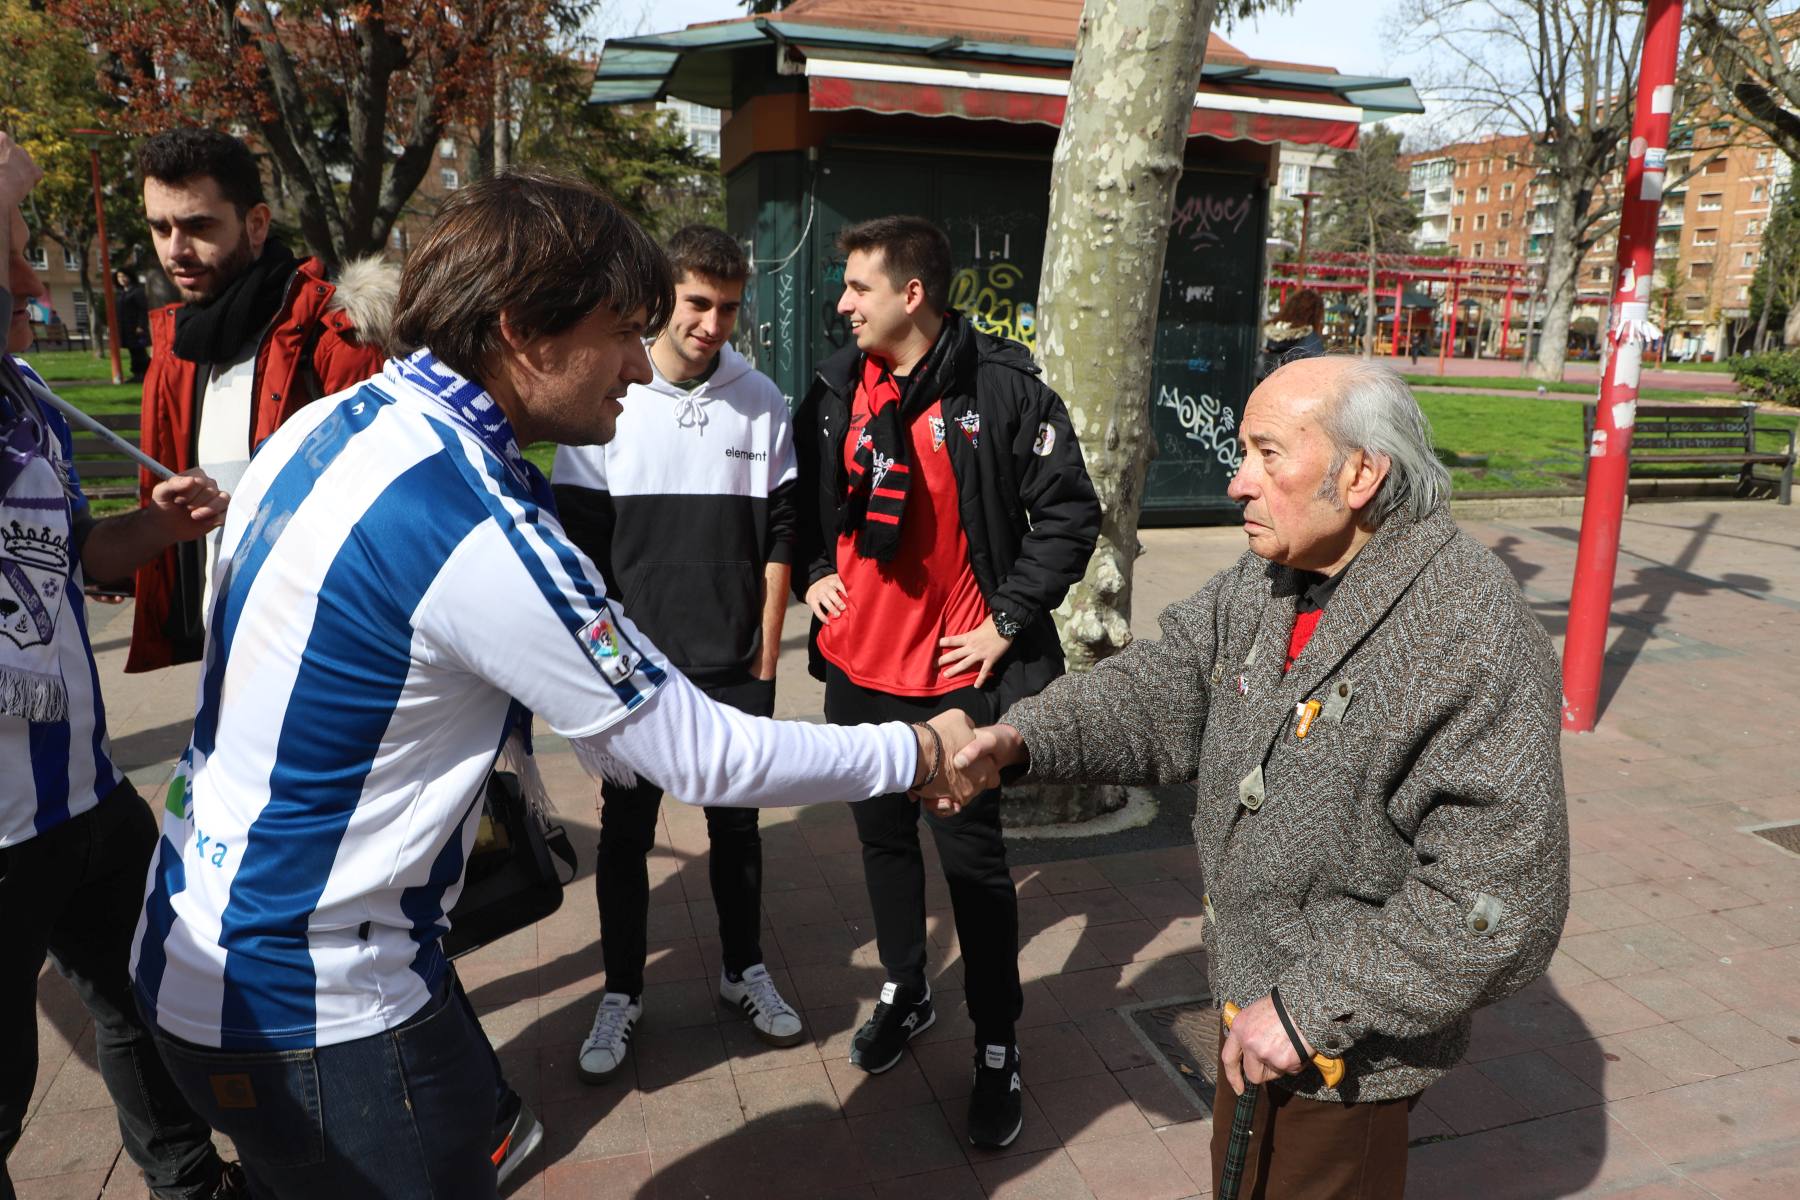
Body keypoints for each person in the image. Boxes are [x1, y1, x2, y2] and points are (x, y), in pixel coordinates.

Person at [126, 170, 992, 1200]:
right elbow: (704, 755)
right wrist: (922, 749)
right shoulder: (471, 520)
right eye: (623, 330)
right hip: (317, 1007)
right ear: (526, 333)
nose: (640, 361)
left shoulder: (332, 424)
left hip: (202, 940)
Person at [955, 355, 1570, 1197]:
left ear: (1361, 474)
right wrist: (1020, 738)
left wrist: (1315, 1005)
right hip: (1254, 1007)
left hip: (1340, 1049)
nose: (1238, 482)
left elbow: (1500, 894)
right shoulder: (1271, 574)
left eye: (1267, 453)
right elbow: (1164, 684)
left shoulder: (1467, 626)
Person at [794, 216, 1099, 1149]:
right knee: (882, 839)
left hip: (953, 690)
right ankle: (905, 989)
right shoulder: (838, 387)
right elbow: (802, 499)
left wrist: (1005, 623)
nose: (841, 303)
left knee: (972, 867)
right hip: (857, 674)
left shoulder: (1001, 391)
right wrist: (811, 571)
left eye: (857, 287)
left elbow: (1070, 514)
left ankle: (998, 1044)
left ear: (911, 295)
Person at [0, 133, 245, 1200]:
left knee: (148, 994)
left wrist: (153, 531)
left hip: (87, 797)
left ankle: (187, 1183)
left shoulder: (27, 402)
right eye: (7, 258)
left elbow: (79, 552)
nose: (26, 287)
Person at [553, 225, 804, 1079]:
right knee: (624, 833)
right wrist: (602, 673)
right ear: (665, 299)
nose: (713, 323)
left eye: (729, 307)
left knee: (738, 828)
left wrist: (767, 660)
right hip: (635, 670)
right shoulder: (606, 396)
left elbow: (780, 534)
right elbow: (578, 551)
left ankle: (744, 971)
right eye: (699, 303)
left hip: (734, 663)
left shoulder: (763, 398)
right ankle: (622, 990)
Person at [129, 128, 394, 673]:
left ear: (256, 223)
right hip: (222, 655)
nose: (176, 250)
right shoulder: (174, 351)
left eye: (199, 226)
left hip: (331, 661)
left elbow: (394, 517)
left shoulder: (335, 339)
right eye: (161, 227)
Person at [1258, 288, 1327, 382]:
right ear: (1315, 314)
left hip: (1268, 389)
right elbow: (1318, 374)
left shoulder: (1270, 333)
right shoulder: (1310, 339)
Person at [115, 270, 151, 381]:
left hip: (136, 327)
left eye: (124, 276)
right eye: (119, 277)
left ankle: (143, 373)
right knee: (133, 351)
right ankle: (137, 373)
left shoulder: (137, 292)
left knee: (139, 350)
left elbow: (142, 310)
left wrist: (141, 325)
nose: (121, 279)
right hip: (125, 328)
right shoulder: (121, 293)